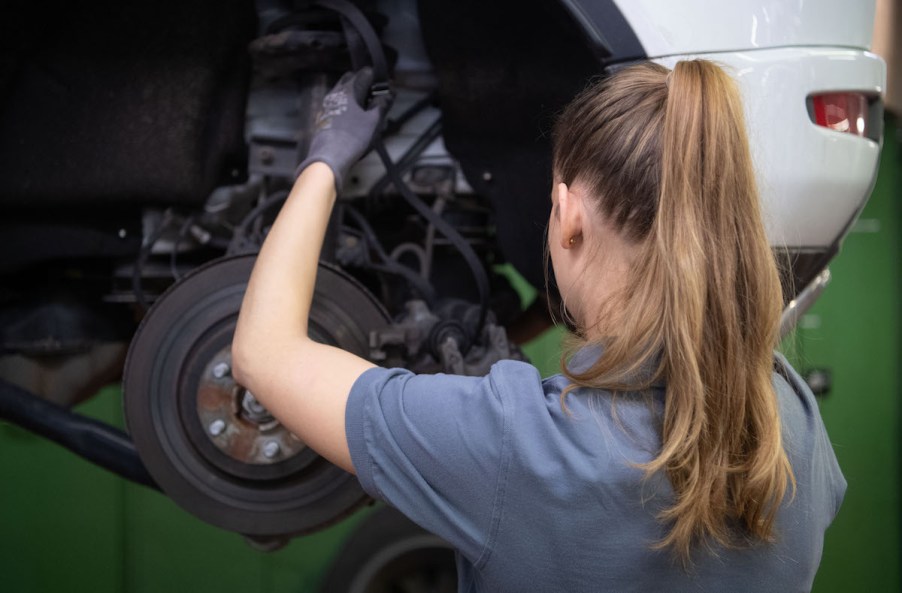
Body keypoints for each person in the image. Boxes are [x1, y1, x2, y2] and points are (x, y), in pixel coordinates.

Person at [232, 61, 845, 592]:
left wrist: (324, 161)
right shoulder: (792, 419)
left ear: (568, 215)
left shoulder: (517, 449)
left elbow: (264, 353)